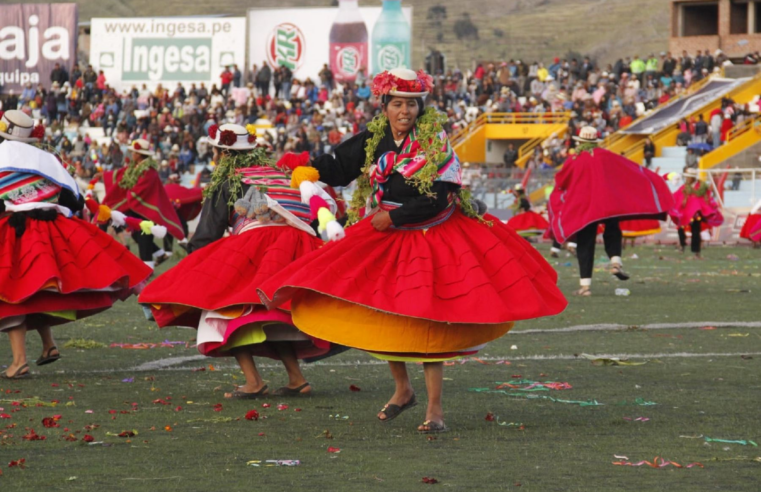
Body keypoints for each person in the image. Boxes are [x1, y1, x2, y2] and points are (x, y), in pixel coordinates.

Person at [259, 68, 567, 433]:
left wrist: (397, 216)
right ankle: (403, 389)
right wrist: (302, 168)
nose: (404, 111)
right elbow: (338, 167)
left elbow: (440, 195)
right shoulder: (373, 139)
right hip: (385, 231)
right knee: (387, 311)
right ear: (384, 106)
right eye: (397, 104)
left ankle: (435, 410)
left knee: (426, 318)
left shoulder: (434, 141)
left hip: (429, 231)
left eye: (411, 104)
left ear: (420, 107)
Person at [139, 124, 344, 398]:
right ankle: (296, 379)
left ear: (221, 153)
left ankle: (253, 381)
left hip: (256, 246)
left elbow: (208, 234)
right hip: (296, 245)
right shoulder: (279, 174)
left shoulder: (227, 179)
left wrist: (193, 270)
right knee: (270, 313)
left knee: (224, 309)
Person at [0, 110, 151, 378]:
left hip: (17, 228)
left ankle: (19, 360)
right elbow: (74, 200)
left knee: (13, 290)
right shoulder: (47, 158)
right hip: (52, 227)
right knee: (36, 288)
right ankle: (48, 346)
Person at [548, 126, 674, 296]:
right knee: (613, 228)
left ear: (580, 142)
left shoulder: (575, 159)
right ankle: (616, 262)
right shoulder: (605, 156)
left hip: (585, 205)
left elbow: (562, 180)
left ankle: (585, 286)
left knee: (586, 242)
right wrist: (654, 180)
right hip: (608, 202)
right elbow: (628, 169)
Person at [96, 139, 185, 268]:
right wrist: (103, 175)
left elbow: (140, 191)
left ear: (139, 154)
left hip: (145, 212)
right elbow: (122, 174)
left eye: (134, 152)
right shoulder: (136, 167)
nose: (132, 154)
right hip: (137, 211)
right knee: (137, 236)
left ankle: (148, 268)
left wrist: (125, 198)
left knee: (144, 240)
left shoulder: (149, 171)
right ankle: (159, 254)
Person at [669, 169, 723, 259]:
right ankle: (682, 245)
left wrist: (708, 207)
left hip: (696, 215)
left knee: (696, 232)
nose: (687, 179)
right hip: (685, 214)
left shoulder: (701, 188)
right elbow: (677, 196)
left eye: (688, 177)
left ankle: (696, 252)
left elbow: (707, 198)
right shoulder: (684, 187)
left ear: (692, 178)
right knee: (680, 229)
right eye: (686, 177)